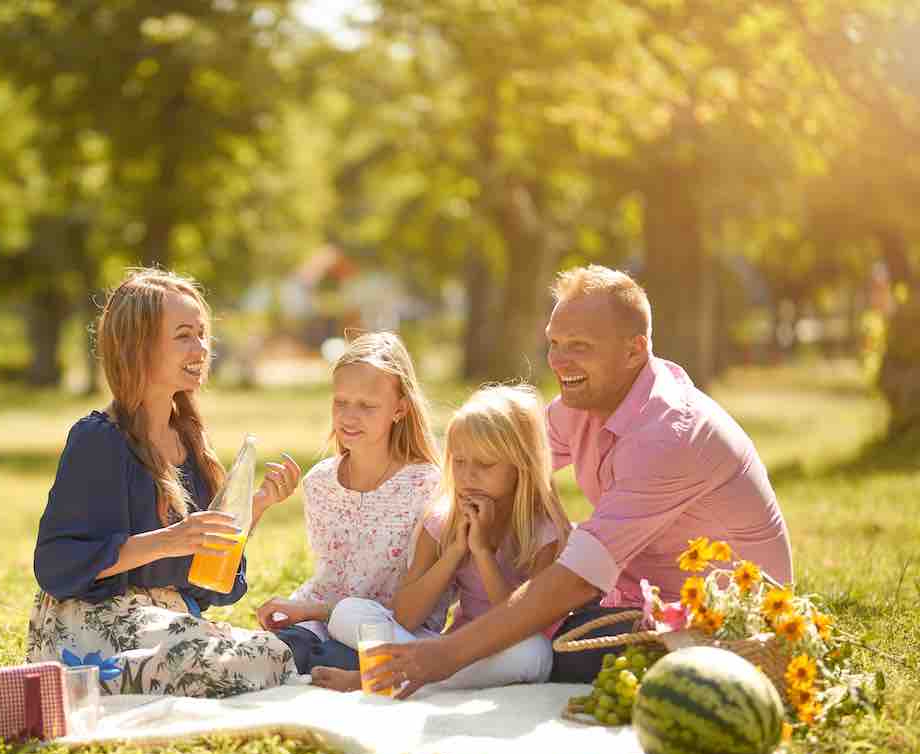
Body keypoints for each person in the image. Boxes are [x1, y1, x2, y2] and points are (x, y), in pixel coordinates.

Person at [364, 265, 793, 696]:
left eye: (579, 346)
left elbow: (577, 579)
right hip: (634, 600)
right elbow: (504, 459)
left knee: (551, 652)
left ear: (634, 350)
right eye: (554, 342)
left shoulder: (667, 434)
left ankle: (428, 662)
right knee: (538, 637)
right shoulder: (585, 402)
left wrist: (444, 656)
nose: (558, 360)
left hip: (725, 625)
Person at [25, 268, 303, 698]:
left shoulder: (190, 443)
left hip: (168, 623)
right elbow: (55, 564)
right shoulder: (98, 440)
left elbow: (209, 584)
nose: (202, 347)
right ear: (138, 347)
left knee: (273, 653)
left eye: (203, 333)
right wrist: (169, 541)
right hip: (90, 628)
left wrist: (255, 509)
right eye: (184, 335)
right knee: (246, 662)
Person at [312, 384, 571, 692]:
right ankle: (416, 673)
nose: (468, 475)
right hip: (447, 649)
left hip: (508, 648)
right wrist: (455, 553)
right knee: (349, 611)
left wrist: (484, 553)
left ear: (522, 466)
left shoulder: (544, 532)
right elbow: (406, 617)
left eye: (485, 465)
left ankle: (382, 676)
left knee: (536, 653)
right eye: (459, 462)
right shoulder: (442, 521)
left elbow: (525, 622)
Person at [253, 332, 445, 674]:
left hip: (385, 627)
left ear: (400, 409)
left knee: (337, 659)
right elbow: (327, 576)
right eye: (341, 402)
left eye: (367, 405)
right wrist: (303, 614)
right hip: (314, 620)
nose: (349, 416)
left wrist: (317, 613)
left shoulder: (427, 486)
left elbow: (418, 602)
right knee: (273, 654)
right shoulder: (320, 482)